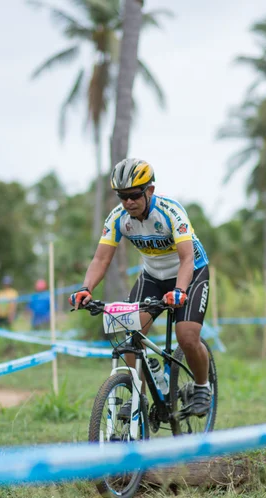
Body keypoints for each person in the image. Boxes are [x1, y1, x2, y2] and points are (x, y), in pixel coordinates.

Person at [69, 158, 211, 418]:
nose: (128, 202)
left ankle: (202, 387)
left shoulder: (171, 211)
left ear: (150, 191)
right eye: (122, 196)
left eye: (134, 195)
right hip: (153, 276)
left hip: (190, 273)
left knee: (187, 337)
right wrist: (86, 288)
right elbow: (101, 258)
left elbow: (187, 259)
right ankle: (139, 397)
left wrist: (179, 291)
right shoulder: (118, 218)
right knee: (131, 333)